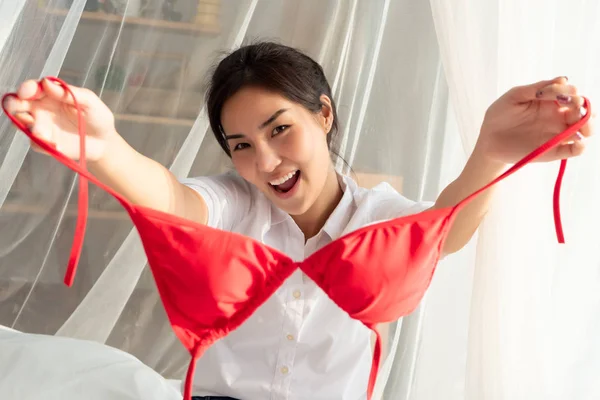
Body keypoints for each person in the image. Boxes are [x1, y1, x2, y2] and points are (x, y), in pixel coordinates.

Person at [5, 41, 594, 400]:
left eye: (279, 130)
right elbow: (171, 201)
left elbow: (448, 229)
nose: (264, 163)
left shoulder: (380, 216)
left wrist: (490, 152)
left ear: (324, 115)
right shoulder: (235, 202)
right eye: (240, 145)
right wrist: (104, 150)